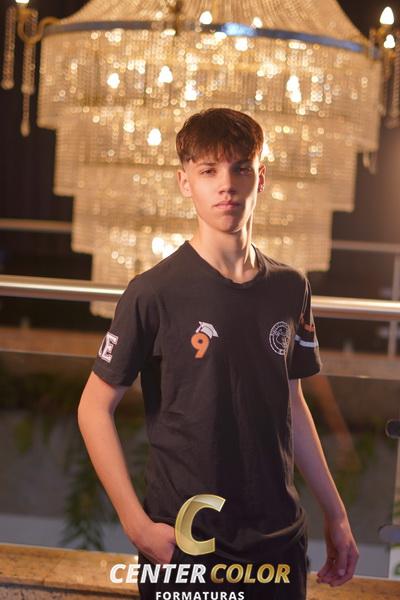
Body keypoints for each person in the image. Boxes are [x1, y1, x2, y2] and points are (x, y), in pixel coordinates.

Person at [77, 108, 359, 599]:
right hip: (185, 543)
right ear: (185, 182)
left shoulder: (291, 287)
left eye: (240, 168)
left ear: (260, 178)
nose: (226, 185)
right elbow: (93, 408)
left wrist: (336, 515)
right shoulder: (153, 292)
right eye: (208, 171)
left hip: (277, 543)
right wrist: (136, 525)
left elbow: (292, 404)